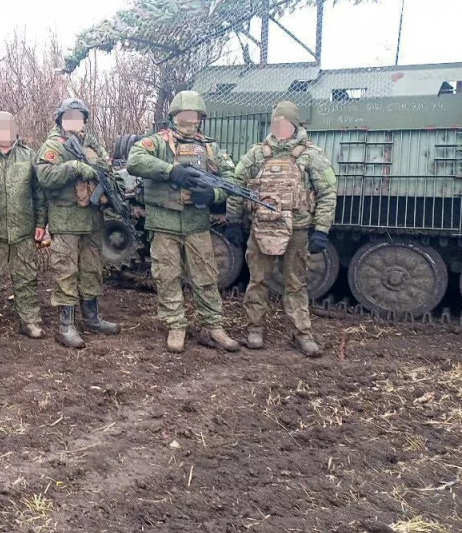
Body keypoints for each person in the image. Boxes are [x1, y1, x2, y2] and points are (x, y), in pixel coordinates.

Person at [126, 90, 241, 354]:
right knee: (167, 276)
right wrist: (170, 171)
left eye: (195, 116)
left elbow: (231, 179)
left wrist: (214, 194)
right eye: (185, 115)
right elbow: (135, 161)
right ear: (174, 116)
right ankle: (176, 326)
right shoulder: (156, 142)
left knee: (206, 277)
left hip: (196, 223)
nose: (190, 121)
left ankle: (213, 326)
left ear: (201, 118)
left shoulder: (210, 148)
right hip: (163, 222)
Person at [226, 101, 337, 357]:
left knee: (296, 283)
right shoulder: (257, 153)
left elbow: (327, 192)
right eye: (277, 122)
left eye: (286, 123)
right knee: (257, 281)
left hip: (298, 229)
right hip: (262, 227)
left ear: (295, 125)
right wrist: (233, 220)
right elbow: (236, 185)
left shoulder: (311, 155)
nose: (280, 127)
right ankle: (255, 329)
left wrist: (321, 229)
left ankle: (302, 334)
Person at [35, 97, 119, 349]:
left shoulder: (92, 143)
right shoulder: (53, 145)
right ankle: (66, 326)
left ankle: (92, 318)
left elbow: (107, 169)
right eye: (69, 116)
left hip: (92, 219)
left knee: (92, 269)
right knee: (66, 271)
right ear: (60, 119)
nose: (74, 121)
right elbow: (44, 176)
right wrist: (74, 167)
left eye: (79, 117)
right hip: (66, 219)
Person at [0, 111, 48, 341]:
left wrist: (41, 222)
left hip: (23, 229)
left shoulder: (29, 156)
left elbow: (38, 193)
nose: (5, 133)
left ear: (15, 131)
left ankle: (29, 321)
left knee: (26, 278)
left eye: (9, 128)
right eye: (0, 129)